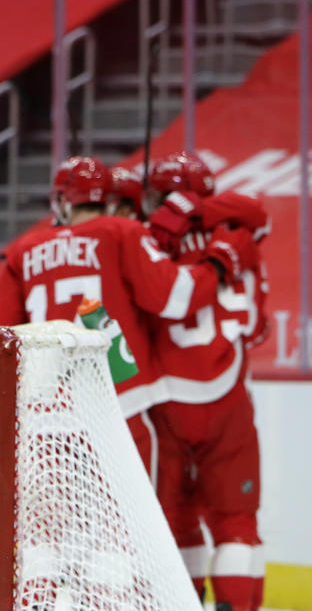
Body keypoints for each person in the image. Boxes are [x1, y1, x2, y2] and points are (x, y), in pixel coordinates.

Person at [0, 156, 260, 478]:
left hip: (48, 417)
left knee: (56, 525)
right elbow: (176, 298)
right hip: (121, 406)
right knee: (133, 525)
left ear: (61, 201)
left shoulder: (25, 249)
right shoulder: (122, 232)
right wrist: (219, 265)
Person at [144, 151, 268, 611]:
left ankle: (182, 602)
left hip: (165, 399)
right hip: (230, 394)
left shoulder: (147, 241)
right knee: (237, 520)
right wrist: (200, 213)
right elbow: (258, 327)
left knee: (174, 516)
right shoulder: (242, 234)